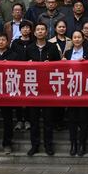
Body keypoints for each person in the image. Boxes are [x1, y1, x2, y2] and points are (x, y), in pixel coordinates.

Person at [25, 22, 61, 156]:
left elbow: (59, 66)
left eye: (42, 29)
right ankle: (34, 145)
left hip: (48, 88)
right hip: (33, 87)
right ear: (34, 33)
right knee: (34, 120)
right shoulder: (29, 48)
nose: (40, 31)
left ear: (46, 32)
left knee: (48, 120)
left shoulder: (52, 47)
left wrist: (50, 65)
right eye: (38, 29)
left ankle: (48, 145)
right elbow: (21, 66)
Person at [63, 30, 88, 156]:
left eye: (79, 37)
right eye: (74, 37)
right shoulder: (68, 53)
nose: (76, 39)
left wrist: (86, 63)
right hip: (71, 90)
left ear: (83, 39)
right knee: (72, 120)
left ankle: (82, 143)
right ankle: (73, 144)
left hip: (84, 90)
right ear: (72, 39)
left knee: (83, 119)